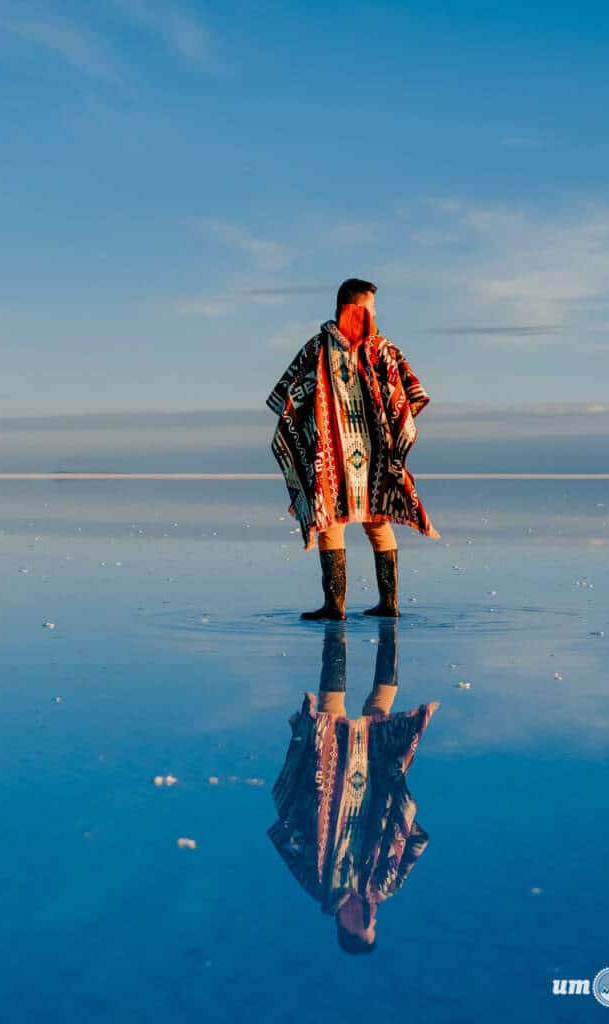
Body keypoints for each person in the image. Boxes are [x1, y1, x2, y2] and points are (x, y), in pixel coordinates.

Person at [266, 278, 439, 620]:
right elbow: (409, 397)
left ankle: (349, 606)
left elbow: (289, 398)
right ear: (352, 309)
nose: (374, 316)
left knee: (351, 521)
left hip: (340, 455)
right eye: (370, 309)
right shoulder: (350, 349)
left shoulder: (334, 348)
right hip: (350, 455)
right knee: (359, 520)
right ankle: (361, 605)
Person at [267, 620, 438, 954]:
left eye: (361, 926)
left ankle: (336, 629)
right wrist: (397, 813)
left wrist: (309, 801)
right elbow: (417, 841)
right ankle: (390, 626)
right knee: (380, 712)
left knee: (329, 714)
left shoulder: (318, 885)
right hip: (377, 783)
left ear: (343, 925)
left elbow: (285, 838)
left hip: (329, 781)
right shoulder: (385, 887)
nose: (368, 919)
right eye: (372, 924)